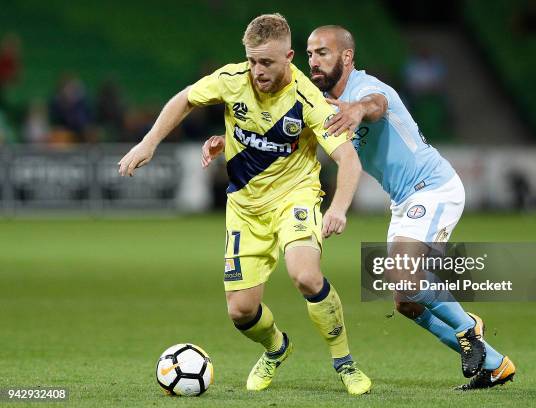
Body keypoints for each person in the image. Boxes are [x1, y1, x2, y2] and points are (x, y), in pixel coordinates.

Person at [118, 14, 371, 395]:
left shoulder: (308, 99)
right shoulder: (232, 79)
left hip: (294, 198)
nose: (257, 70)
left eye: (266, 62)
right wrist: (148, 142)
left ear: (288, 57)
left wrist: (337, 209)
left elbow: (349, 160)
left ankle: (345, 363)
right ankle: (276, 349)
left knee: (305, 274)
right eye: (252, 60)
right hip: (244, 208)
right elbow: (185, 98)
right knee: (241, 312)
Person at [305, 25, 515, 390]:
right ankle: (495, 365)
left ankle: (469, 328)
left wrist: (357, 110)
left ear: (347, 57)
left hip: (433, 188)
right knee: (405, 300)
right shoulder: (320, 102)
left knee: (405, 275)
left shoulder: (367, 89)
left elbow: (376, 106)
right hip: (404, 200)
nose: (314, 61)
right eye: (309, 54)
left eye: (323, 52)